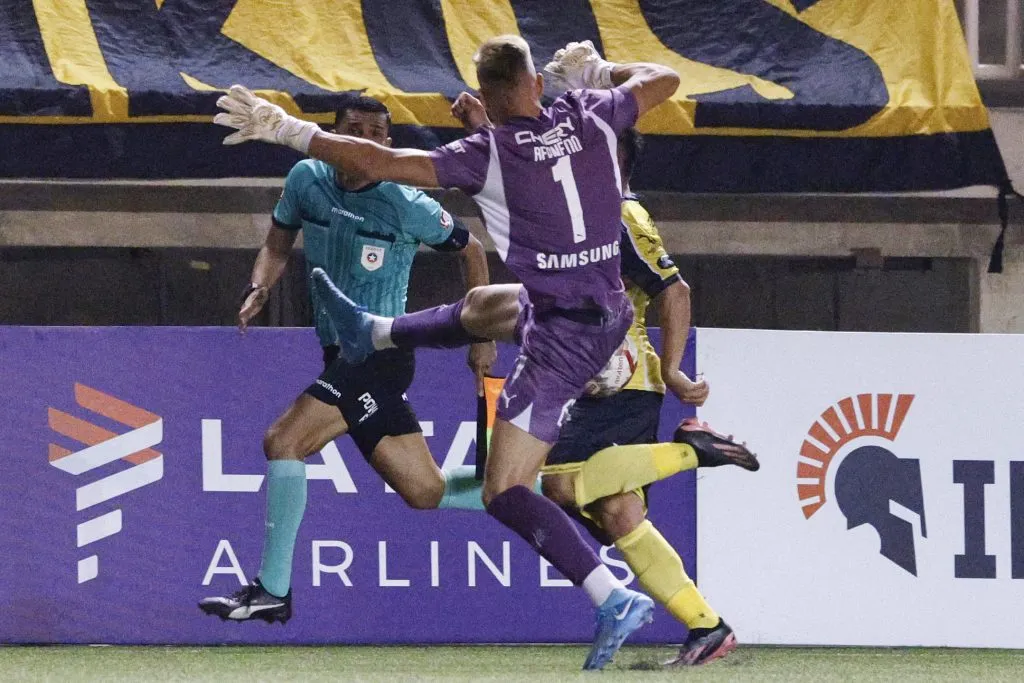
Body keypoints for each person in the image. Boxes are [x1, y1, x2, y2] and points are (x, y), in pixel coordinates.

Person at [213, 37, 749, 670]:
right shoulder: (592, 113)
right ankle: (380, 331)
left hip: (561, 337)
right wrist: (601, 70)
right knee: (480, 308)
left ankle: (612, 596)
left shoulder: (490, 151)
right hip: (593, 308)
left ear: (489, 97)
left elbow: (375, 161)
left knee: (506, 490)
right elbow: (665, 76)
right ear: (536, 85)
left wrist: (287, 128)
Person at [445, 93, 745, 666]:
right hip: (593, 376)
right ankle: (708, 627)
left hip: (617, 380)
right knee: (618, 513)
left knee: (548, 483)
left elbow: (674, 290)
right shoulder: (586, 204)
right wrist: (485, 126)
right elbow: (522, 178)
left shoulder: (621, 213)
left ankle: (690, 453)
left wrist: (675, 368)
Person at [198, 95, 497, 625]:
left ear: (386, 143)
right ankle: (557, 490)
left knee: (283, 440)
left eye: (375, 131)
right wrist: (260, 286)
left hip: (380, 355)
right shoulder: (305, 179)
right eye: (352, 128)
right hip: (341, 352)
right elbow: (277, 240)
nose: (364, 137)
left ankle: (273, 589)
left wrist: (482, 336)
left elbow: (472, 250)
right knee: (424, 491)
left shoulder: (408, 203)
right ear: (334, 136)